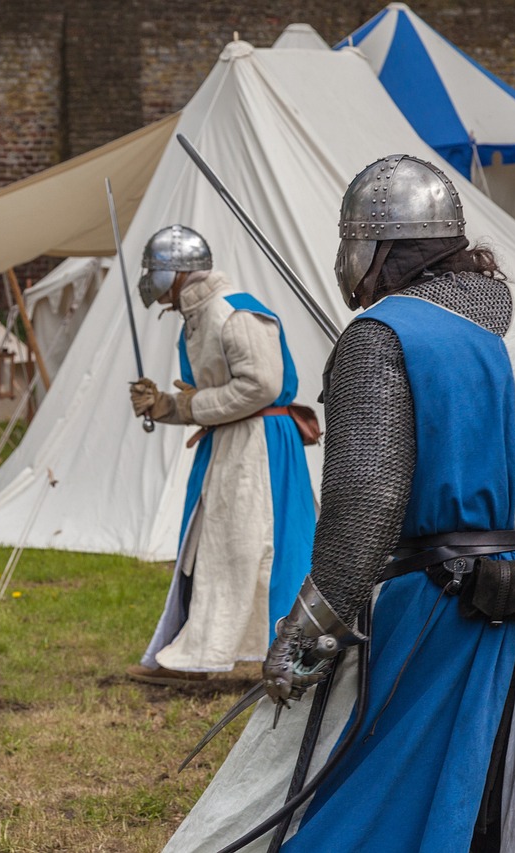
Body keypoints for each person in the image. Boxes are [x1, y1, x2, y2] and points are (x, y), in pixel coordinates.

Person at [162, 155, 515, 852]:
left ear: (372, 249)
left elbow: (365, 508)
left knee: (376, 807)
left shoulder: (381, 335)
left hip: (445, 620)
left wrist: (303, 633)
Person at [125, 225, 317, 687]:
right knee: (218, 547)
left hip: (258, 447)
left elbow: (262, 386)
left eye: (157, 271)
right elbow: (213, 396)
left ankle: (238, 654)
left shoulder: (233, 313)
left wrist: (189, 406)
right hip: (231, 443)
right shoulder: (197, 317)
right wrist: (164, 407)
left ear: (176, 272)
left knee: (246, 549)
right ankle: (205, 652)